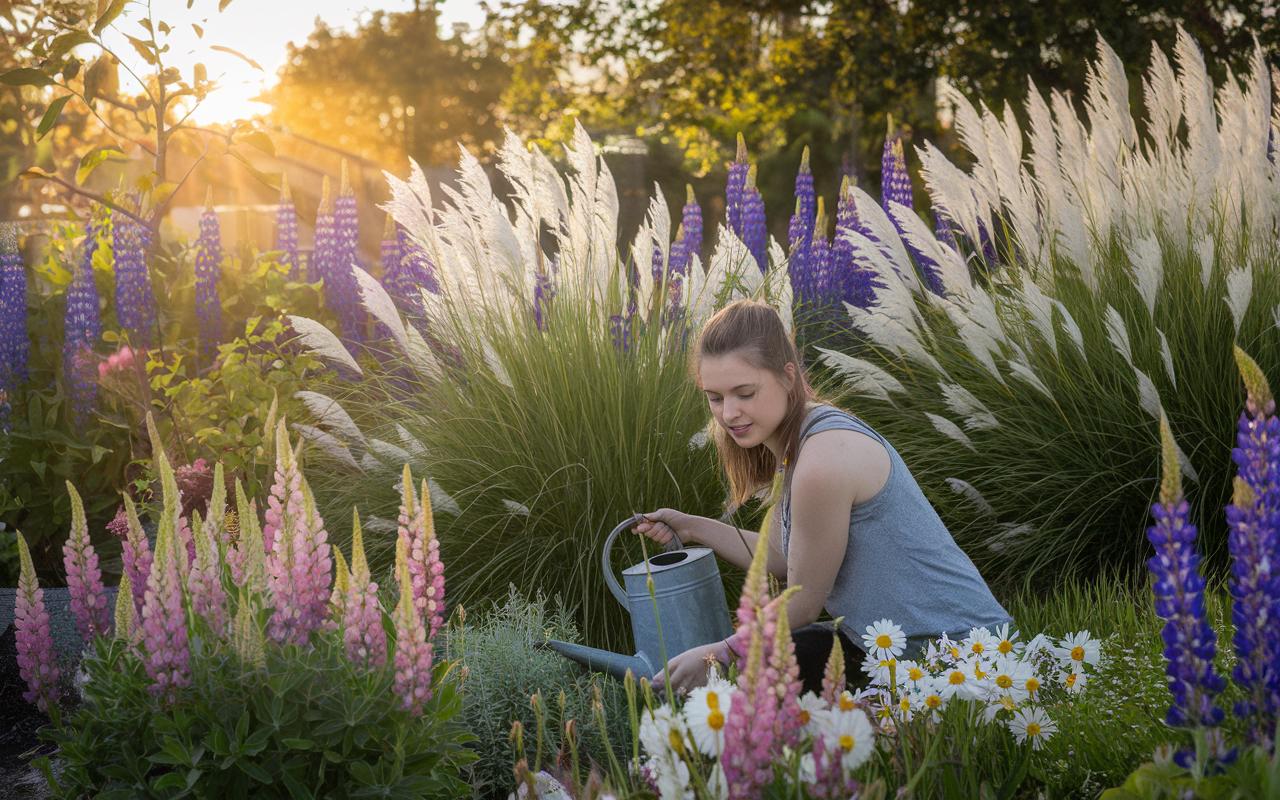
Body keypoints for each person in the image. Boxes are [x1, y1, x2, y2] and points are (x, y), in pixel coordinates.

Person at [634, 298, 1010, 696]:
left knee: (758, 672)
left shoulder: (821, 460)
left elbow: (801, 603)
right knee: (774, 662)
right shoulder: (798, 444)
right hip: (886, 647)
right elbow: (782, 557)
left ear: (787, 376)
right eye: (715, 397)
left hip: (959, 658)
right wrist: (690, 526)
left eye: (744, 393)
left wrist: (719, 653)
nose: (728, 414)